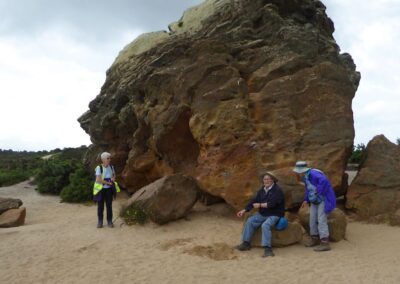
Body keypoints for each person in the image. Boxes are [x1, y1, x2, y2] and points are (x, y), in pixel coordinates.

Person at [236, 173, 285, 257]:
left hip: (275, 214)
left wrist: (260, 205)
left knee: (265, 225)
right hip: (263, 213)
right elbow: (254, 200)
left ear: (272, 180)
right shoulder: (262, 190)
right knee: (250, 221)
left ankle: (268, 249)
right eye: (265, 179)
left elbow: (272, 204)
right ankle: (246, 243)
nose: (266, 181)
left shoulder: (277, 190)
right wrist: (244, 210)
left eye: (268, 179)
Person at [293, 161, 336, 252]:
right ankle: (314, 238)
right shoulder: (305, 176)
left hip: (323, 199)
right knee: (312, 219)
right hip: (314, 200)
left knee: (321, 219)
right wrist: (306, 200)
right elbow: (308, 189)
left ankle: (325, 243)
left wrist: (318, 192)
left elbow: (324, 181)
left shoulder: (313, 173)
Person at [93, 152, 116, 228]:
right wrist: (108, 183)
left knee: (109, 206)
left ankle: (109, 221)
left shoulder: (111, 167)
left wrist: (112, 179)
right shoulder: (99, 168)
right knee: (100, 206)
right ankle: (100, 221)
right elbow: (98, 179)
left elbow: (113, 175)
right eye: (108, 158)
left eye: (110, 158)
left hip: (109, 190)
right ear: (103, 159)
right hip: (101, 190)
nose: (110, 160)